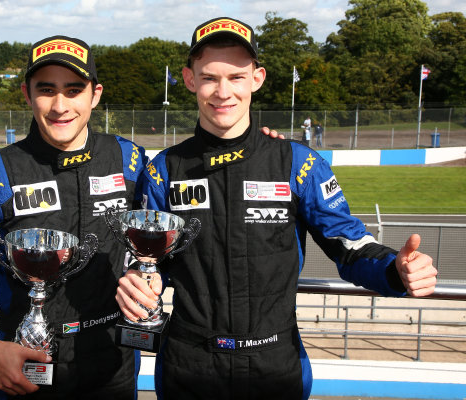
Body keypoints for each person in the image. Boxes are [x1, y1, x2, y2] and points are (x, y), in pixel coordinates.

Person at [115, 17, 438, 400]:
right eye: (209, 78)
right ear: (189, 80)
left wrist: (395, 270)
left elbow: (349, 248)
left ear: (257, 78)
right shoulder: (163, 170)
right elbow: (149, 263)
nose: (223, 92)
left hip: (276, 365)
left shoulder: (298, 163)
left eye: (236, 77)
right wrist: (140, 281)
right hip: (189, 365)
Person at [0, 35, 149, 399]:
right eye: (46, 90)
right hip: (25, 372)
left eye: (73, 90)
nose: (60, 105)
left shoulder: (129, 159)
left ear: (95, 94)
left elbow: (172, 219)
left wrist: (264, 150)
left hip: (112, 370)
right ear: (27, 94)